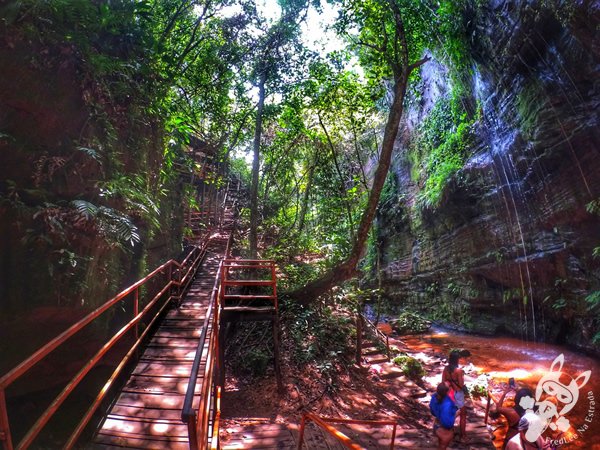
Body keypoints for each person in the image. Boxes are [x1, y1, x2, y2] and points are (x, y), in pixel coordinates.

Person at [442, 349, 467, 442]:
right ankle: (463, 436)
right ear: (457, 360)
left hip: (449, 393)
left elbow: (443, 382)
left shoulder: (446, 369)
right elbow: (460, 385)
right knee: (463, 414)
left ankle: (449, 430)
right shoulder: (458, 371)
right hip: (457, 394)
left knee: (451, 411)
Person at [430, 383, 458, 450]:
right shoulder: (447, 404)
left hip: (437, 425)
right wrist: (457, 414)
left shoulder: (434, 397)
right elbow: (447, 423)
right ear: (447, 391)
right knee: (443, 446)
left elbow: (432, 411)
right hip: (444, 430)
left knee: (440, 445)